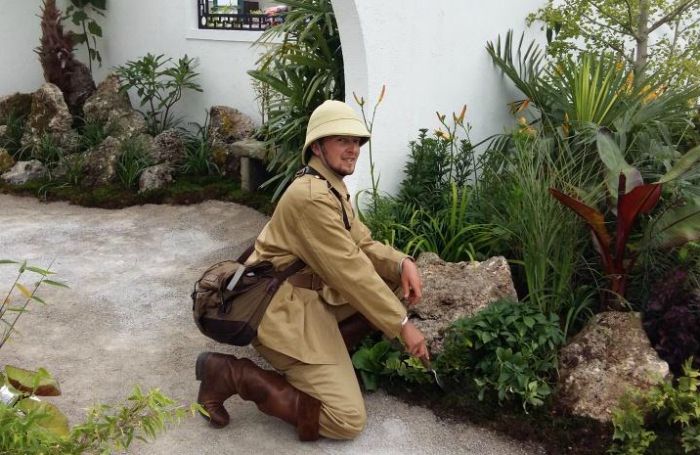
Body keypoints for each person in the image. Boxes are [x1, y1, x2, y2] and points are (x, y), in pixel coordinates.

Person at [195, 100, 429, 441]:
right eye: (342, 140)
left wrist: (401, 262)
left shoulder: (329, 184)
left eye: (357, 141)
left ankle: (326, 365)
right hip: (277, 310)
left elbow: (361, 244)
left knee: (394, 282)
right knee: (346, 420)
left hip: (305, 298)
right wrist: (403, 326)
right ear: (317, 146)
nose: (353, 149)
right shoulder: (310, 197)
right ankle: (229, 374)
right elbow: (351, 272)